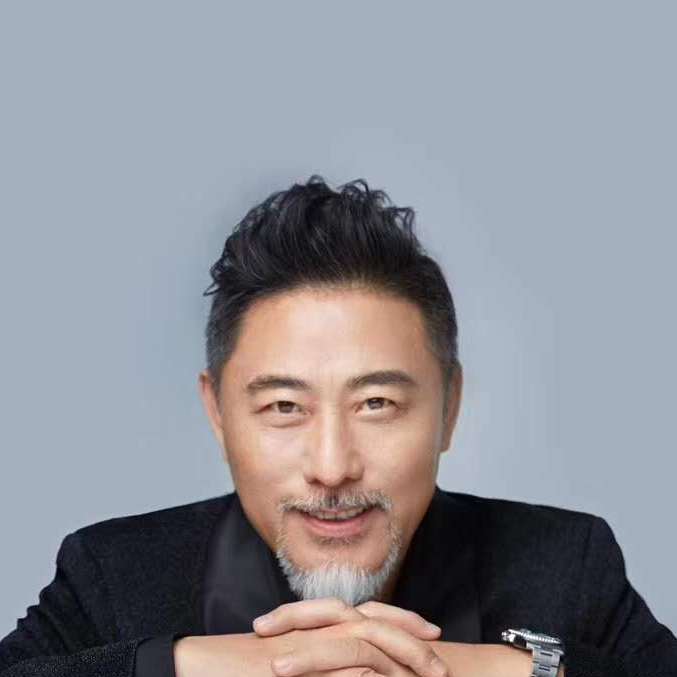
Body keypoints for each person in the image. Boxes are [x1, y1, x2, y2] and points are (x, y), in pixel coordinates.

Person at [1, 176, 675, 677]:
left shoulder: (567, 563)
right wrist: (188, 664)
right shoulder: (114, 574)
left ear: (449, 407)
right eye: (284, 407)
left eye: (375, 403)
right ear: (218, 412)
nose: (331, 467)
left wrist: (503, 670)